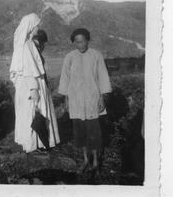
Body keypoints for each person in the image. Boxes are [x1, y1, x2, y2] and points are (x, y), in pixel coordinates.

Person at [58, 28, 111, 169]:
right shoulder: (70, 57)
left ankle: (96, 161)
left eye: (82, 41)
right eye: (76, 42)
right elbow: (65, 78)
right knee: (80, 131)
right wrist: (66, 98)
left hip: (92, 98)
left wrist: (102, 98)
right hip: (76, 99)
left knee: (93, 131)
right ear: (73, 42)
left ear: (87, 40)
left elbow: (103, 78)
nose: (80, 44)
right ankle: (86, 159)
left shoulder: (96, 55)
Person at [9, 13, 60, 153]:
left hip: (34, 84)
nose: (38, 27)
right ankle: (33, 144)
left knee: (34, 113)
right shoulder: (26, 46)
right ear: (31, 26)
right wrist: (34, 89)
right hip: (31, 86)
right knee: (33, 113)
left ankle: (38, 143)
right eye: (37, 25)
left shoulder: (29, 44)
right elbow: (27, 70)